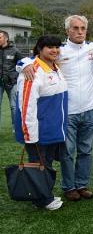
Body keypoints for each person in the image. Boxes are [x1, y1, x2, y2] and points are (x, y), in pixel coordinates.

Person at [20, 15, 93, 201]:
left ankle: (82, 184)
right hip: (68, 112)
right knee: (67, 153)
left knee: (86, 151)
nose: (79, 31)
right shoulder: (59, 51)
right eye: (75, 28)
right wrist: (22, 65)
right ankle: (69, 187)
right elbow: (29, 60)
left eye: (82, 28)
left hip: (90, 109)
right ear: (67, 30)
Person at [14, 35, 67, 210]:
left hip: (52, 128)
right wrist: (30, 134)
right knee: (39, 164)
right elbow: (26, 106)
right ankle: (42, 200)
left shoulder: (54, 66)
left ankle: (45, 195)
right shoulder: (32, 70)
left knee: (47, 163)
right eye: (49, 47)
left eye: (57, 47)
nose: (54, 50)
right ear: (39, 48)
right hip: (39, 130)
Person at [0, 30, 23, 132]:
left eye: (0, 37)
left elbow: (22, 65)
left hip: (12, 83)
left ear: (6, 38)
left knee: (14, 106)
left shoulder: (15, 51)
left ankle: (15, 128)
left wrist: (15, 76)